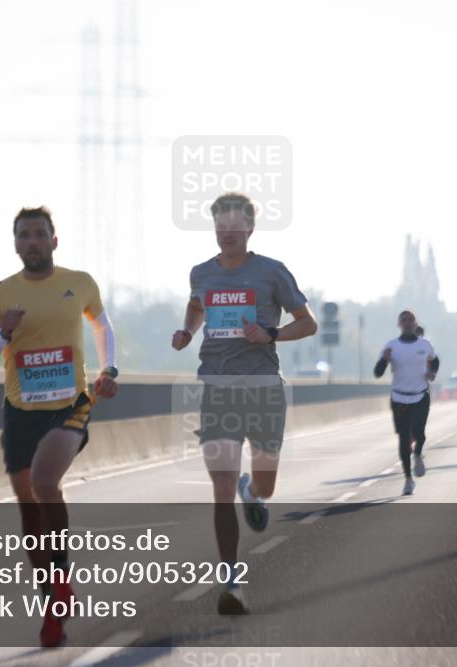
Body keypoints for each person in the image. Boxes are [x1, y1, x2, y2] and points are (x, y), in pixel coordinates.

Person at [0, 206, 119, 648]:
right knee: (30, 512)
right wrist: (4, 334)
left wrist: (109, 369)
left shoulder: (79, 283)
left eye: (39, 234)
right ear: (16, 244)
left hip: (69, 406)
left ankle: (61, 574)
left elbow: (102, 325)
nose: (31, 242)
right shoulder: (1, 294)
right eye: (24, 235)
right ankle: (52, 602)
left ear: (54, 241)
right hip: (20, 412)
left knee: (44, 482)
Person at [171, 192, 317, 615]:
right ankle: (231, 582)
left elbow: (308, 324)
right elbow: (196, 305)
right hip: (217, 389)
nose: (227, 233)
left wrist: (271, 335)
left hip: (264, 388)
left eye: (235, 226)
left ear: (250, 229)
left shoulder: (271, 272)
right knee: (221, 488)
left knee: (266, 482)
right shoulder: (201, 273)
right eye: (221, 226)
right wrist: (187, 332)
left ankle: (253, 492)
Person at [374, 310, 439, 496]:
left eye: (411, 320)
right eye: (404, 320)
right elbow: (378, 372)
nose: (408, 323)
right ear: (399, 324)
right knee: (403, 438)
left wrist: (432, 372)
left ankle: (417, 453)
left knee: (419, 433)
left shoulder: (425, 344)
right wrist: (384, 360)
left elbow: (435, 361)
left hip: (420, 395)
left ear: (415, 323)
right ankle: (408, 479)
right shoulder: (392, 346)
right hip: (399, 397)